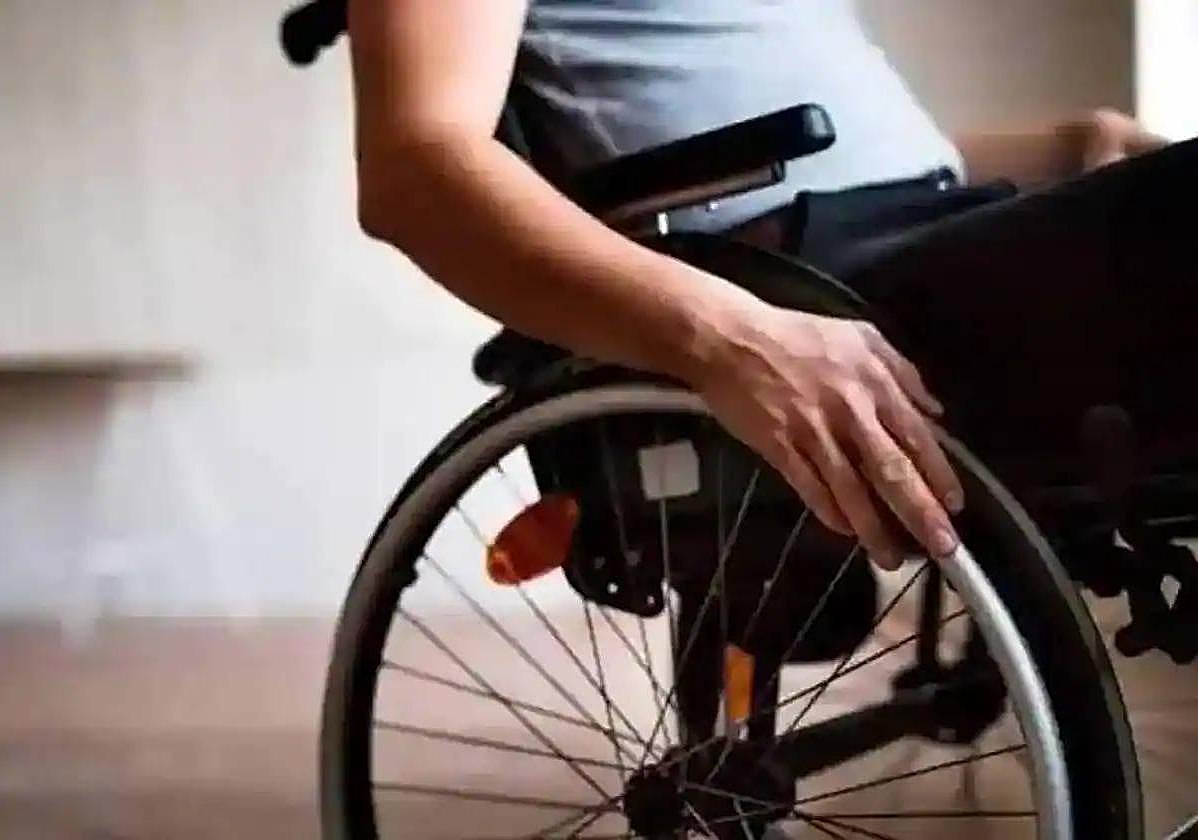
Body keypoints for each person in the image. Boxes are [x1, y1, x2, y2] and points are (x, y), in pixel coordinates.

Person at [345, 0, 1172, 570]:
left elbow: (819, 150)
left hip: (917, 226)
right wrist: (722, 337)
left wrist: (1068, 148)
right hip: (812, 285)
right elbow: (415, 174)